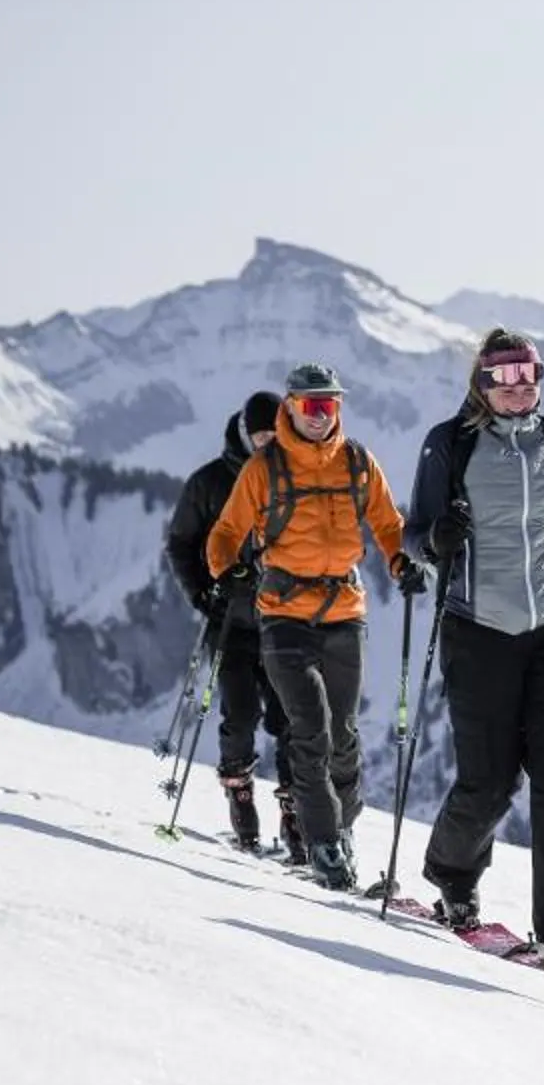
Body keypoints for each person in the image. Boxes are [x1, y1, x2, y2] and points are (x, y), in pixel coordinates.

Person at [403, 329, 544, 975]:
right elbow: (414, 535)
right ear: (482, 381)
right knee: (490, 782)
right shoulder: (449, 444)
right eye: (504, 377)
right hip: (477, 631)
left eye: (529, 376)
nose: (519, 389)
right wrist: (437, 540)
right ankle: (453, 873)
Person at [205, 361, 424, 891]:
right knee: (310, 729)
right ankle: (322, 844)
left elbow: (388, 523)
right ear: (291, 407)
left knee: (344, 736)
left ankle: (341, 829)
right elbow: (228, 530)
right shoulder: (266, 466)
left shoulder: (357, 462)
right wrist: (226, 568)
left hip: (345, 611)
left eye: (329, 405)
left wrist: (401, 562)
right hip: (283, 613)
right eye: (310, 405)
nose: (321, 416)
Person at [163, 391, 301, 857]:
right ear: (245, 433)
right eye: (260, 435)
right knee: (240, 712)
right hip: (231, 621)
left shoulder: (295, 477)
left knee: (290, 720)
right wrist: (202, 594)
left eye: (275, 436)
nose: (267, 444)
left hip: (286, 620)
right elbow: (181, 542)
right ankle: (239, 788)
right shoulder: (210, 482)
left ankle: (293, 807)